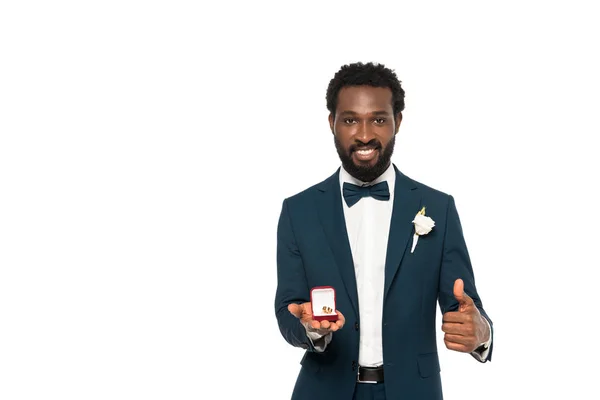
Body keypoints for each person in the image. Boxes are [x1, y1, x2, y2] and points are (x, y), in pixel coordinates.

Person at [274, 62, 493, 400]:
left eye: (378, 119)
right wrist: (307, 328)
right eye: (350, 120)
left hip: (414, 391)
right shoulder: (298, 211)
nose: (364, 135)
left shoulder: (439, 208)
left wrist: (481, 334)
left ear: (398, 122)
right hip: (322, 390)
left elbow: (465, 306)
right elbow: (288, 307)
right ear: (332, 123)